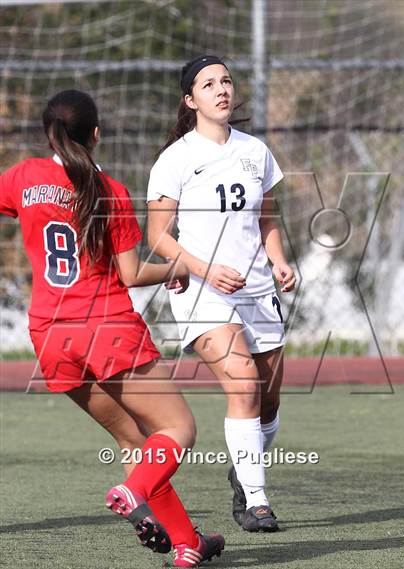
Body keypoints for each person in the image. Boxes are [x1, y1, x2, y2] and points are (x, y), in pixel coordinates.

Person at [0, 89, 224, 567]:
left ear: (48, 134)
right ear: (96, 134)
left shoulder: (23, 177)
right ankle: (132, 490)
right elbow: (131, 274)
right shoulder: (112, 192)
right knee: (179, 428)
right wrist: (179, 268)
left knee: (135, 441)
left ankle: (188, 544)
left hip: (50, 336)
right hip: (107, 329)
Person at [147, 55, 296, 532]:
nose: (221, 89)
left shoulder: (256, 151)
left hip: (256, 286)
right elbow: (157, 236)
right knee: (243, 382)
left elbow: (267, 218)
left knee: (267, 399)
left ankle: (243, 468)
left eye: (226, 81)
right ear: (190, 100)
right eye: (208, 84)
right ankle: (256, 501)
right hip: (201, 290)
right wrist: (203, 268)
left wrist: (279, 260)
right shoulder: (176, 159)